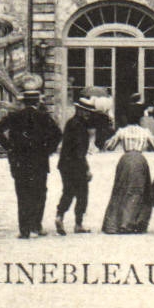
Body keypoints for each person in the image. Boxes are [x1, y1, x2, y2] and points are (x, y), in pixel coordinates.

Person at [0, 75, 61, 239]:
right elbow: (58, 134)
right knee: (39, 193)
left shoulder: (14, 117)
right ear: (37, 102)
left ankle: (24, 230)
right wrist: (48, 149)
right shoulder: (44, 117)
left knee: (22, 194)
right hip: (39, 161)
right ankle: (36, 225)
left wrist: (9, 147)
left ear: (23, 102)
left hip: (19, 161)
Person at [54, 92, 112, 235]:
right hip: (76, 164)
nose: (88, 115)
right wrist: (86, 169)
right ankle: (78, 224)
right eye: (87, 112)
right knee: (82, 193)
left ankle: (59, 215)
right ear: (80, 111)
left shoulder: (70, 122)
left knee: (68, 191)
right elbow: (80, 151)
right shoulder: (80, 127)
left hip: (64, 163)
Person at [102, 116, 154, 234]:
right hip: (139, 160)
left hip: (125, 160)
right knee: (139, 191)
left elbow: (109, 146)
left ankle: (115, 223)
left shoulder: (122, 131)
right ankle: (134, 223)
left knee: (120, 189)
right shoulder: (145, 132)